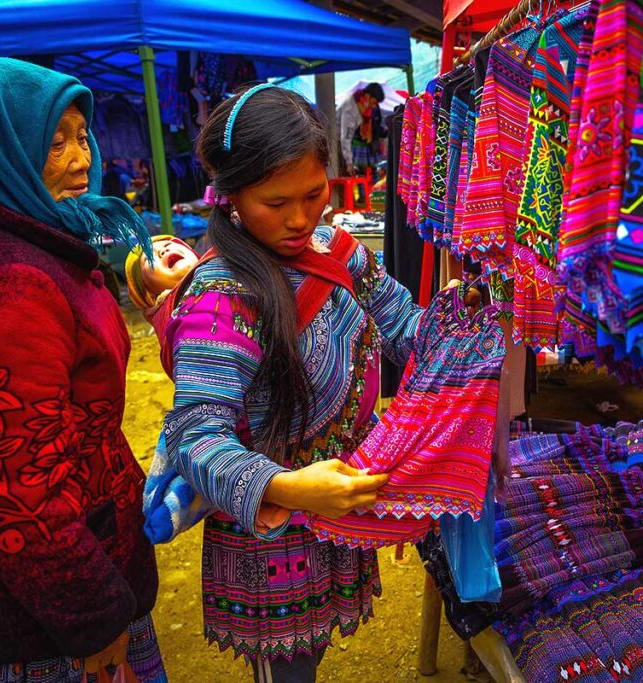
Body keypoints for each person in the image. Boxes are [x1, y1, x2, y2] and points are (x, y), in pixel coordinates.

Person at [158, 84, 467, 682]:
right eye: (276, 202)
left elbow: (404, 327)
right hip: (271, 532)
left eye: (313, 194)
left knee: (310, 657)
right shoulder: (221, 300)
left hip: (332, 511)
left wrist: (464, 317)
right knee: (287, 672)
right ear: (231, 198)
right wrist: (294, 487)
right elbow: (198, 435)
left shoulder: (339, 252)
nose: (301, 219)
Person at [0, 58, 165, 682]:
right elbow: (18, 492)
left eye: (81, 134)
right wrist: (91, 615)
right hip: (34, 626)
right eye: (53, 141)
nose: (80, 159)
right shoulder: (10, 285)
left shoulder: (26, 239)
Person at [338, 82, 386, 176]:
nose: (375, 105)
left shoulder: (372, 107)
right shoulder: (351, 108)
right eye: (375, 102)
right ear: (368, 96)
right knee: (359, 176)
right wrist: (349, 162)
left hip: (372, 147)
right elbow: (346, 137)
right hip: (356, 148)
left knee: (374, 175)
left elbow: (377, 125)